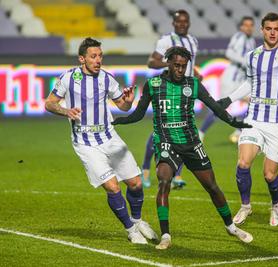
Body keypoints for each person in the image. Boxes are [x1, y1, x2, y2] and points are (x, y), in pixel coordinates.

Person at [112, 47, 254, 250]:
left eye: (183, 66)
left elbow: (215, 107)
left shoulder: (193, 85)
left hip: (191, 143)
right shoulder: (153, 85)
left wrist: (234, 122)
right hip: (166, 143)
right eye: (176, 65)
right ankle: (166, 235)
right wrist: (119, 121)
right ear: (168, 63)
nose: (180, 70)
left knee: (212, 187)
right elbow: (138, 114)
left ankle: (230, 226)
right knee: (164, 181)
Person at [45, 37, 157, 244]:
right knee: (113, 187)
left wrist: (128, 102)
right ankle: (131, 230)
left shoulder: (107, 78)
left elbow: (122, 106)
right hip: (85, 143)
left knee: (136, 183)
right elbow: (49, 104)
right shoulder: (68, 78)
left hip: (110, 137)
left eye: (100, 56)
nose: (98, 60)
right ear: (82, 59)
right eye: (93, 56)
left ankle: (138, 220)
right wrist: (65, 110)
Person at [217, 13, 278, 226]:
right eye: (268, 28)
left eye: (276, 29)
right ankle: (245, 207)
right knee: (243, 163)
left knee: (269, 175)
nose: (272, 32)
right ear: (262, 30)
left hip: (277, 124)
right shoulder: (253, 55)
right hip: (254, 119)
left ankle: (276, 203)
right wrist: (229, 99)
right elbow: (249, 84)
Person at [142, 9, 201, 189]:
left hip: (187, 91)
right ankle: (145, 169)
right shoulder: (166, 40)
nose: (182, 24)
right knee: (162, 130)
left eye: (185, 21)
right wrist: (170, 64)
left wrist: (196, 74)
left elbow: (190, 64)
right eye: (179, 22)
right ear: (173, 23)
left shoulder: (193, 41)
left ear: (189, 22)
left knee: (184, 130)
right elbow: (152, 62)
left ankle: (177, 176)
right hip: (169, 90)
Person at [199, 16, 256, 143]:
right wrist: (245, 62)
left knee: (254, 103)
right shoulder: (239, 37)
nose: (248, 28)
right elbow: (229, 53)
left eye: (251, 25)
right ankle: (200, 133)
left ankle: (239, 131)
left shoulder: (251, 41)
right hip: (230, 79)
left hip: (241, 81)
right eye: (246, 25)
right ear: (241, 27)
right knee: (219, 108)